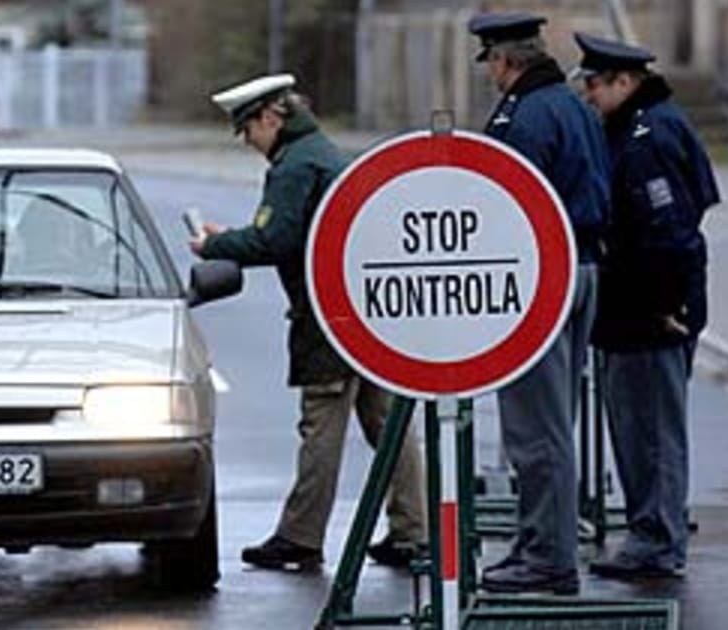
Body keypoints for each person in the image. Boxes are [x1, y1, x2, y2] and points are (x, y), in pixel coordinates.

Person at [189, 74, 427, 572]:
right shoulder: (324, 151)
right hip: (362, 314)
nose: (250, 143)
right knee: (386, 423)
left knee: (320, 424)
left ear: (271, 118)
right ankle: (414, 530)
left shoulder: (294, 166)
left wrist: (215, 245)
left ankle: (301, 537)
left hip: (326, 318)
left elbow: (276, 240)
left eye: (248, 130)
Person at [468, 13, 611, 595]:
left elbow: (503, 199)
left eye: (491, 65)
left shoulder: (525, 115)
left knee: (537, 428)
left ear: (505, 60)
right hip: (580, 266)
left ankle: (549, 557)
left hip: (544, 274)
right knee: (552, 422)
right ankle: (539, 542)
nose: (490, 77)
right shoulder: (571, 103)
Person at [574, 32, 720, 580]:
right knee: (640, 428)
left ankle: (657, 540)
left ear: (624, 81)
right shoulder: (641, 125)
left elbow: (671, 229)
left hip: (647, 312)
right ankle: (653, 529)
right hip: (636, 309)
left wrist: (666, 304)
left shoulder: (646, 137)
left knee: (650, 432)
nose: (586, 93)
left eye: (593, 83)